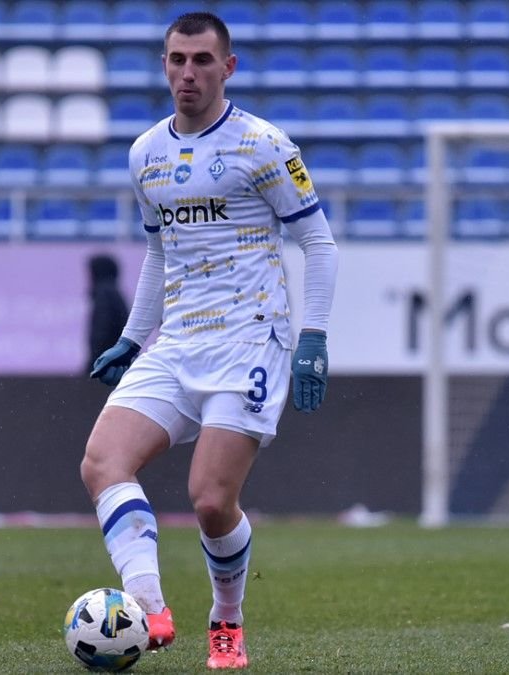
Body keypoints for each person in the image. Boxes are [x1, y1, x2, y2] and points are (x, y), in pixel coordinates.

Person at [81, 12, 338, 671]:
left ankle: (227, 618)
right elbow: (159, 252)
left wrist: (311, 337)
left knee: (211, 500)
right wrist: (132, 338)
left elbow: (318, 242)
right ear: (164, 65)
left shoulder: (264, 145)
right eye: (176, 59)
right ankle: (148, 608)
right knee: (103, 462)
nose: (187, 73)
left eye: (201, 60)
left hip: (250, 341)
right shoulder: (146, 153)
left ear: (228, 67)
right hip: (177, 341)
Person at [84, 254, 130, 374]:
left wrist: (94, 360)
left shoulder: (104, 294)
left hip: (108, 362)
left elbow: (101, 331)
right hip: (116, 360)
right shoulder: (114, 293)